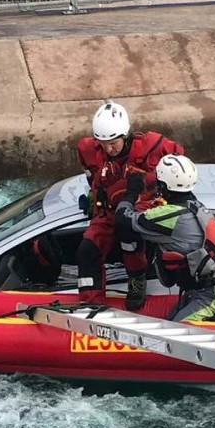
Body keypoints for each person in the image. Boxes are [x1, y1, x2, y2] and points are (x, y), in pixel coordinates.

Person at [76, 100, 185, 310]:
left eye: (113, 143)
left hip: (140, 209)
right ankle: (90, 304)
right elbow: (92, 178)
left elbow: (178, 162)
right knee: (86, 250)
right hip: (107, 211)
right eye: (103, 143)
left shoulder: (151, 146)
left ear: (125, 135)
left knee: (130, 237)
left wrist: (153, 183)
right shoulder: (88, 149)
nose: (109, 149)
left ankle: (137, 279)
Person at [115, 154, 215, 322]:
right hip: (202, 291)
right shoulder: (194, 205)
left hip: (208, 297)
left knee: (176, 339)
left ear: (163, 185)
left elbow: (122, 219)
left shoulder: (170, 216)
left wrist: (131, 193)